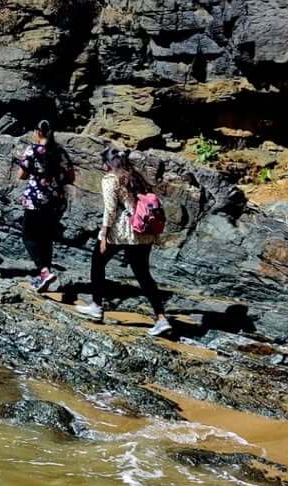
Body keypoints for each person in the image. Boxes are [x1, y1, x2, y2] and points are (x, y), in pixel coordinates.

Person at [76, 146, 172, 337]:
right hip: (143, 233)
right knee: (143, 275)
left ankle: (96, 306)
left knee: (97, 262)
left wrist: (103, 234)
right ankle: (161, 319)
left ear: (107, 164)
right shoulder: (135, 176)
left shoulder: (111, 179)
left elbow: (110, 210)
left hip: (122, 231)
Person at [17, 119, 75, 292]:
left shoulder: (32, 150)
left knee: (28, 237)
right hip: (55, 201)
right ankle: (45, 277)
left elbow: (21, 175)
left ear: (38, 132)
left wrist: (37, 176)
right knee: (46, 238)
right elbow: (71, 177)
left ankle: (43, 272)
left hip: (35, 199)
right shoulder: (60, 152)